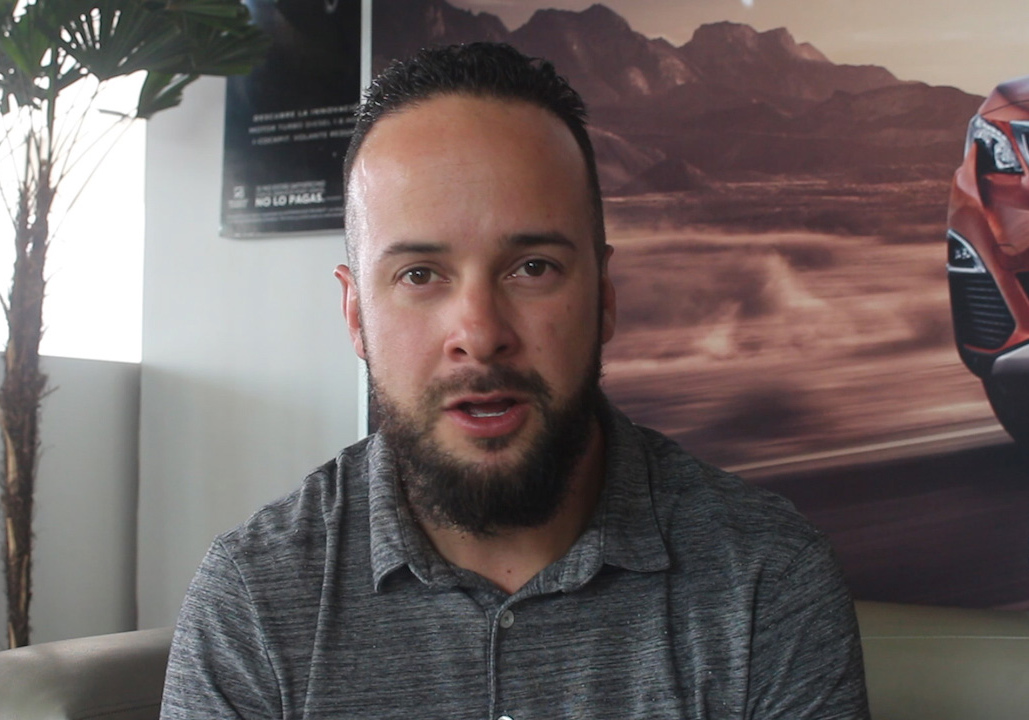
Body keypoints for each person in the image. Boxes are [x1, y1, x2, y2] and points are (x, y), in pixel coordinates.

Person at [160, 43, 869, 719]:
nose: (479, 333)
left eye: (532, 267)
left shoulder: (768, 579)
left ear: (604, 296)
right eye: (419, 274)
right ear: (355, 315)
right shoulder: (253, 599)